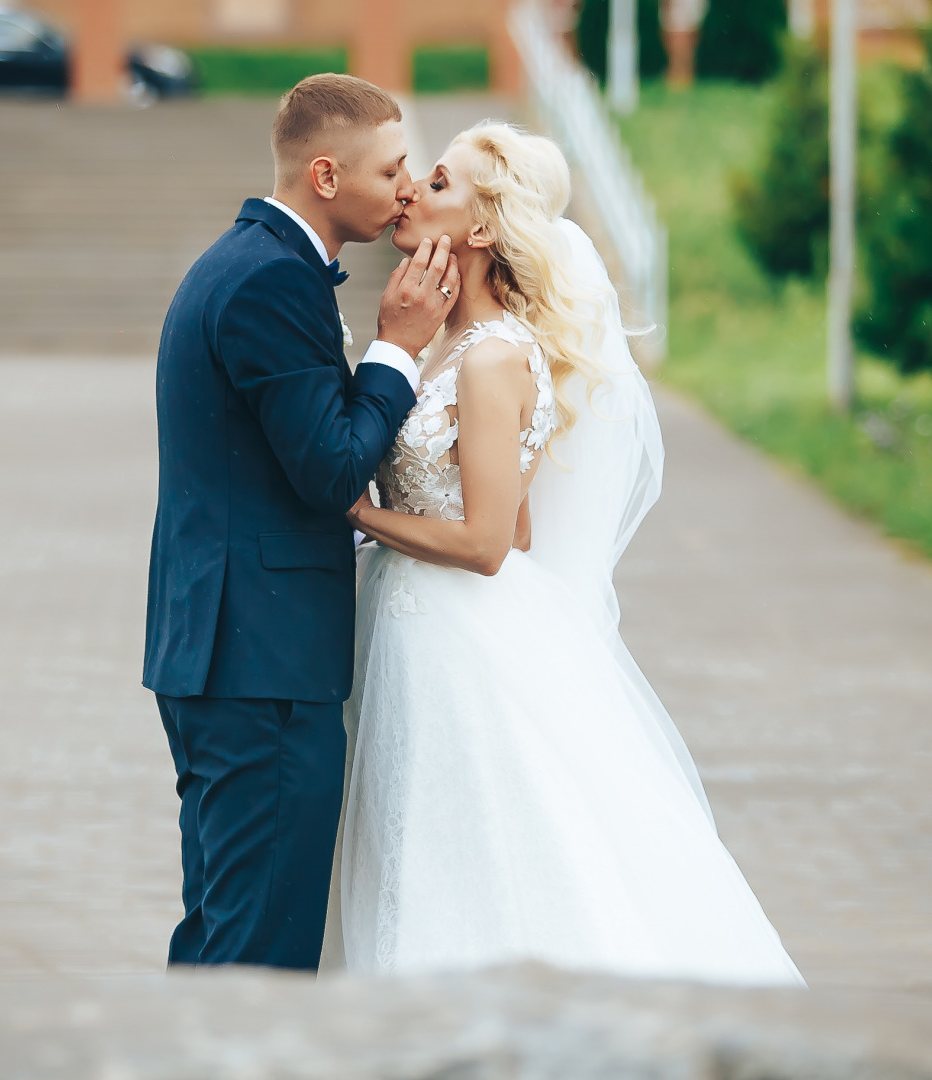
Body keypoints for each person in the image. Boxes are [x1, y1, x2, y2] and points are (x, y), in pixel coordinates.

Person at [325, 122, 804, 986]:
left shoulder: (492, 358)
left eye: (435, 182)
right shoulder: (449, 347)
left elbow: (484, 545)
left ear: (478, 229)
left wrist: (359, 512)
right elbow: (518, 528)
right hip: (421, 622)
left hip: (450, 634)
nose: (410, 192)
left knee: (465, 849)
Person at [142, 73, 461, 972]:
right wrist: (397, 344)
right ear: (325, 175)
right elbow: (328, 470)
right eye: (393, 168)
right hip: (261, 665)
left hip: (231, 654)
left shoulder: (251, 264)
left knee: (221, 932)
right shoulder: (269, 284)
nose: (408, 186)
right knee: (258, 955)